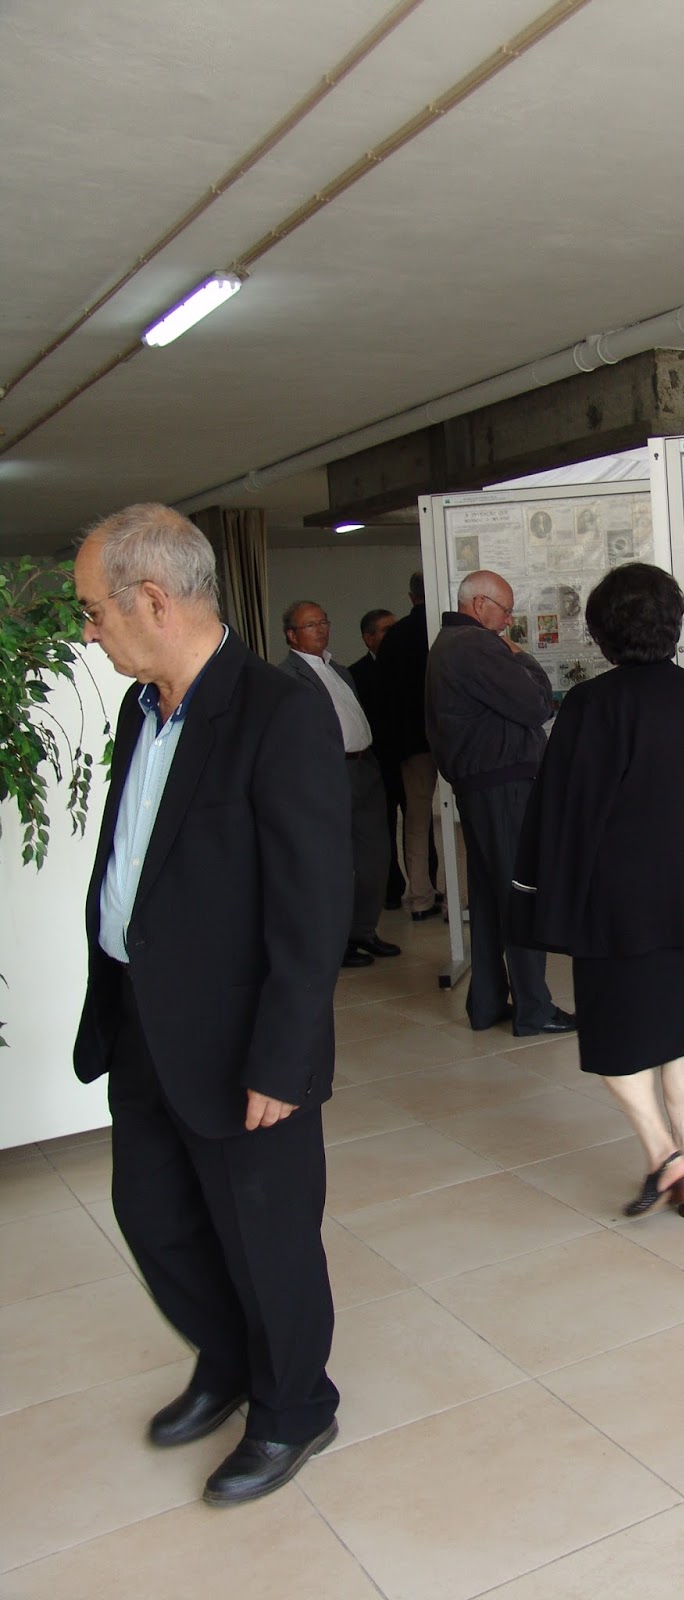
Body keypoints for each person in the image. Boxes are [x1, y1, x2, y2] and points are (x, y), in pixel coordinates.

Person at [72, 504, 349, 1507]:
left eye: (94, 610)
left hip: (242, 1037)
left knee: (265, 1236)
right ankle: (229, 1360)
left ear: (153, 599)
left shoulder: (277, 712)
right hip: (144, 1017)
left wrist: (284, 1056)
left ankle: (294, 1405)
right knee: (153, 1215)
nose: (90, 631)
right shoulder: (141, 709)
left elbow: (312, 906)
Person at [512, 562, 684, 1217]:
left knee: (616, 1040)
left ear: (602, 631)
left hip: (619, 907)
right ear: (673, 623)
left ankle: (663, 1154)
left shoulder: (593, 705)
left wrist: (543, 896)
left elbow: (564, 813)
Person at [425, 569, 575, 1036]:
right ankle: (534, 1009)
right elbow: (537, 705)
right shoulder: (475, 645)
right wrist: (522, 656)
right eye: (505, 610)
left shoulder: (449, 645)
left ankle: (487, 1003)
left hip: (481, 785)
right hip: (503, 785)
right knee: (519, 894)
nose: (509, 621)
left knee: (490, 898)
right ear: (478, 604)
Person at [279, 601, 400, 968]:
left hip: (365, 768)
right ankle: (338, 941)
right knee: (335, 862)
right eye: (311, 625)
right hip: (329, 773)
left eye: (324, 622)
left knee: (375, 856)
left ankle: (363, 930)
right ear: (292, 635)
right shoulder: (286, 678)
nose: (321, 629)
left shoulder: (340, 671)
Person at [376, 572, 442, 920]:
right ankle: (464, 897)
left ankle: (419, 898)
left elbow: (387, 696)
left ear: (410, 596)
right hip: (449, 738)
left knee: (416, 822)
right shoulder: (445, 632)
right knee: (463, 818)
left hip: (411, 743)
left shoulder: (395, 636)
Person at [349, 606, 406, 909]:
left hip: (406, 760)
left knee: (417, 826)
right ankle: (391, 890)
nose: (394, 636)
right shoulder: (355, 674)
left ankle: (426, 885)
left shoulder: (405, 667)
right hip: (375, 764)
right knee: (382, 830)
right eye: (386, 630)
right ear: (368, 638)